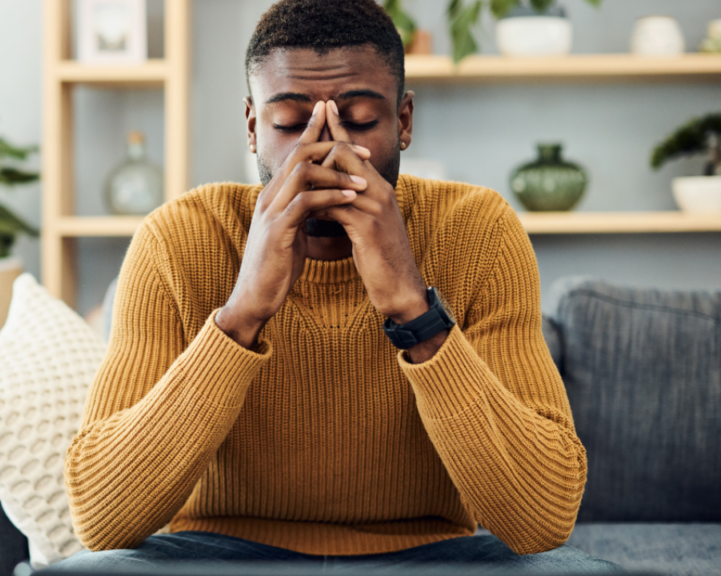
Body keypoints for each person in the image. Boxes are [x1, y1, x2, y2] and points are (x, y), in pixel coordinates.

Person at [51, 0, 621, 572]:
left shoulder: (478, 231)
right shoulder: (178, 238)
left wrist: (410, 303)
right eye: (290, 125)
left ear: (403, 122)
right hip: (215, 555)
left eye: (363, 120)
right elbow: (102, 519)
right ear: (252, 127)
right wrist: (242, 313)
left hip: (430, 554)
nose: (324, 150)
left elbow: (543, 520)